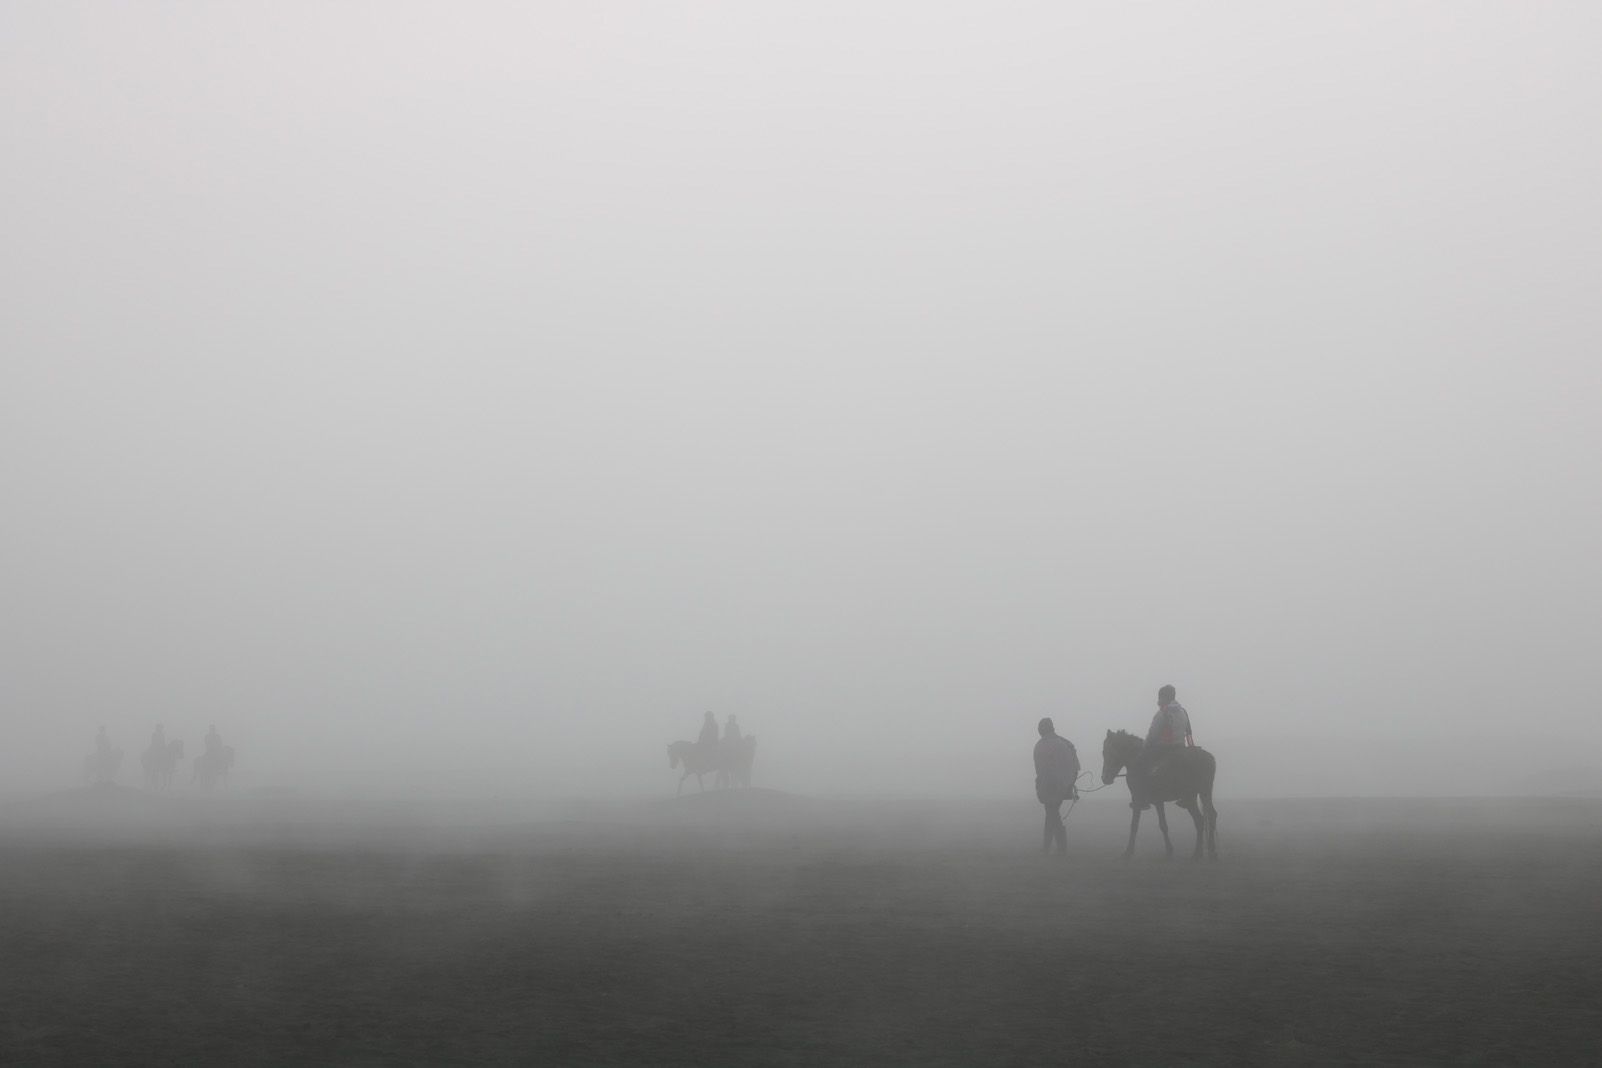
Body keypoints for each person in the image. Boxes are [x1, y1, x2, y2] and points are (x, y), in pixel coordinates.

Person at [1130, 685, 1195, 810]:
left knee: (1139, 764)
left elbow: (1152, 734)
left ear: (1164, 697)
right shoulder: (1183, 712)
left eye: (1160, 697)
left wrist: (1144, 747)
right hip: (1181, 747)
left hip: (1165, 748)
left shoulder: (1162, 713)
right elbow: (1188, 732)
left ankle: (1142, 799)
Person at [1033, 717, 1080, 856]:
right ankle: (1047, 847)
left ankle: (1061, 847)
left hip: (1050, 787)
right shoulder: (1066, 743)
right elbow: (1076, 767)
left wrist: (1041, 786)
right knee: (1051, 813)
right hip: (1063, 786)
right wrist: (1070, 783)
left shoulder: (1041, 745)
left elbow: (1040, 770)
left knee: (1052, 814)